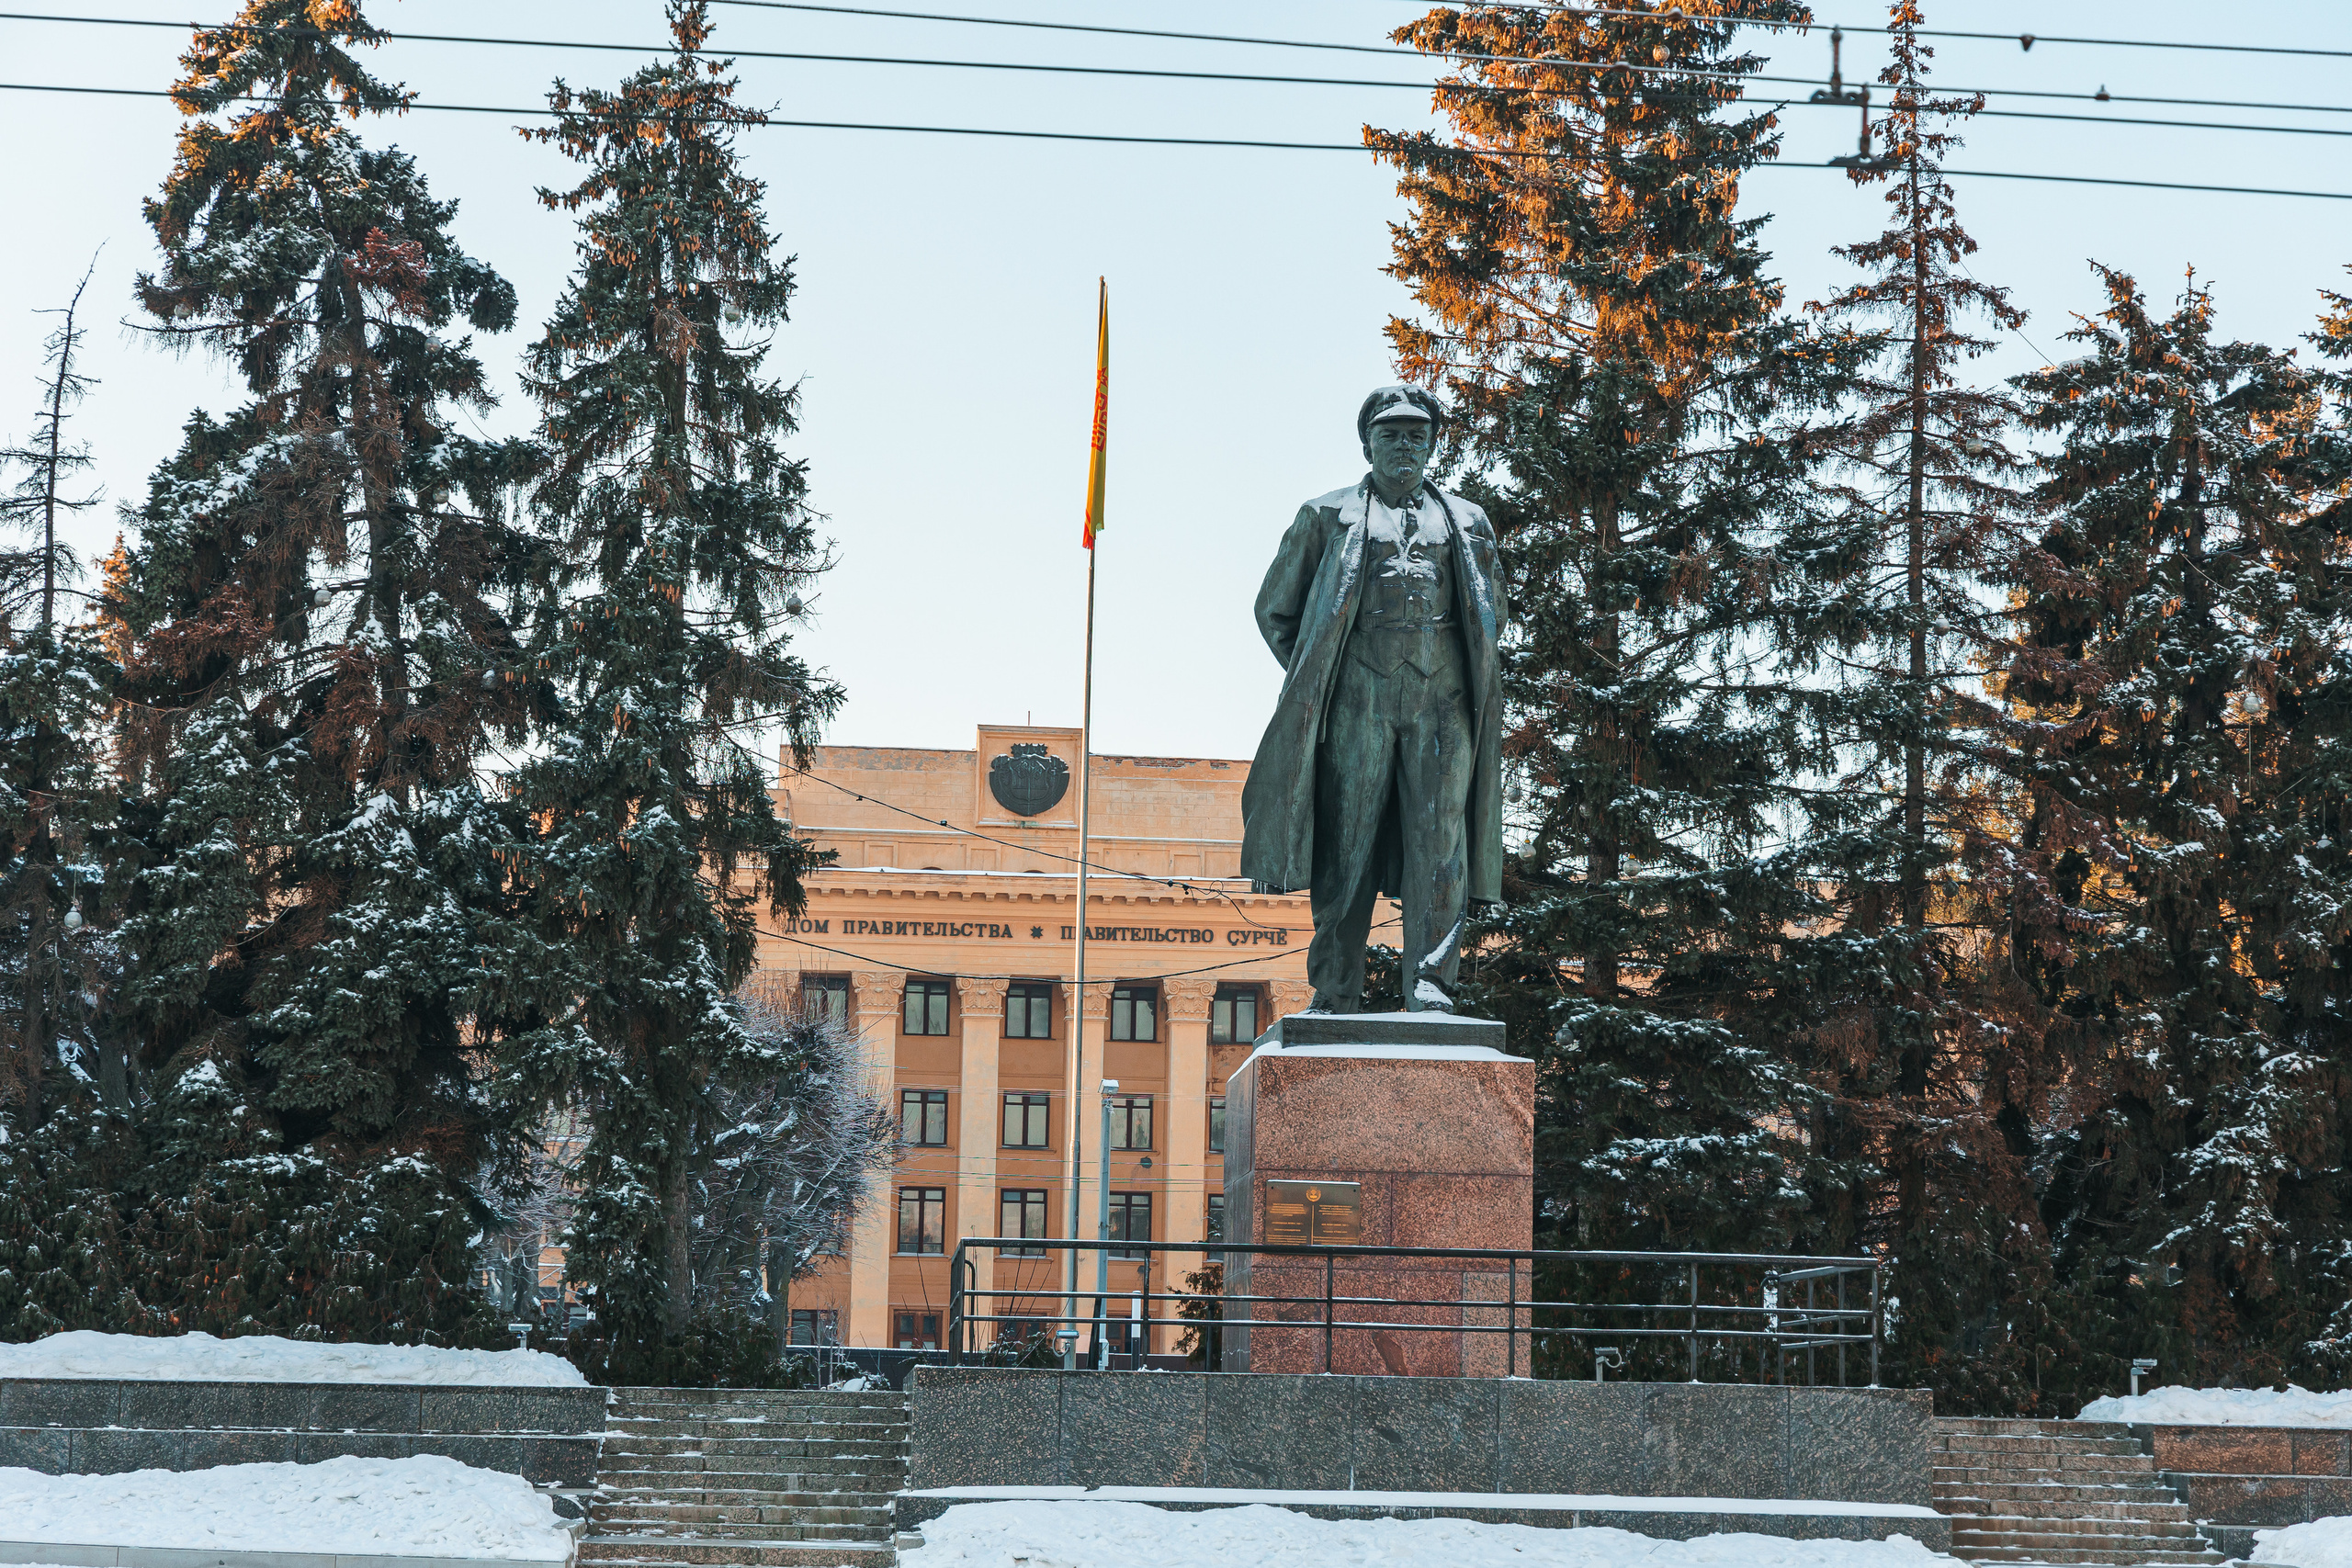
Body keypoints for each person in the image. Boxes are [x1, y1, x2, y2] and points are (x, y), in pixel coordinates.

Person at [1239, 385, 1506, 1013]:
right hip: (1359, 700)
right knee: (1346, 847)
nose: (1405, 445)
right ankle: (1334, 988)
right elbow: (1276, 610)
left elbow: (1491, 613)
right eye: (1391, 434)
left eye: (1418, 434)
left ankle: (1433, 988)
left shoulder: (1468, 523)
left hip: (1443, 704)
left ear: (1434, 444)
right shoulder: (1324, 516)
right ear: (1368, 442)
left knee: (1442, 847)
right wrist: (1327, 678)